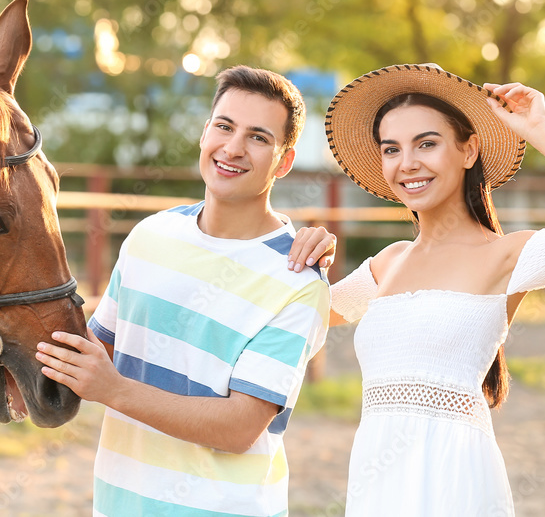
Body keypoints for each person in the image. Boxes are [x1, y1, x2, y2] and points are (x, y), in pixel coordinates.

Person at [324, 63, 545, 515]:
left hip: (455, 483)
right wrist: (297, 242)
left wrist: (541, 130)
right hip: (378, 484)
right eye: (391, 149)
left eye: (427, 144)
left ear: (469, 149)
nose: (408, 163)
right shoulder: (387, 264)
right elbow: (301, 312)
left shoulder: (507, 257)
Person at [35, 65, 335, 517]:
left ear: (284, 160)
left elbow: (239, 428)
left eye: (258, 137)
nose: (233, 148)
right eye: (224, 126)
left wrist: (114, 391)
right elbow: (98, 352)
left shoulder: (298, 279)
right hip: (120, 504)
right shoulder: (149, 235)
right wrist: (6, 355)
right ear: (204, 132)